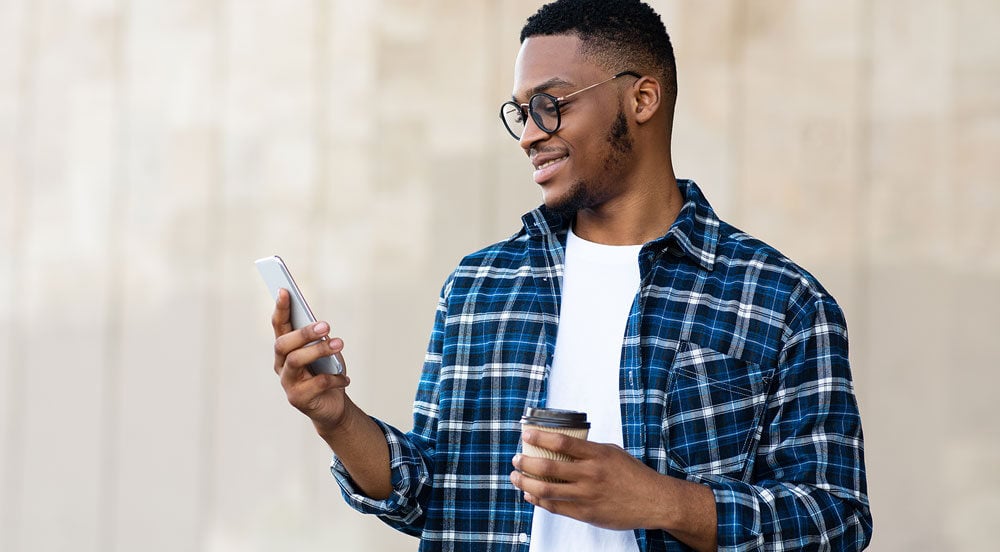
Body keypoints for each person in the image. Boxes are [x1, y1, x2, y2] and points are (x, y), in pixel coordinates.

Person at [269, 0, 874, 550]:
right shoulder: (482, 286)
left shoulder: (781, 301)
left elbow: (837, 521)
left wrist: (662, 500)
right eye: (520, 112)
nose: (531, 134)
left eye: (550, 106)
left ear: (641, 99)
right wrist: (336, 417)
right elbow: (432, 493)